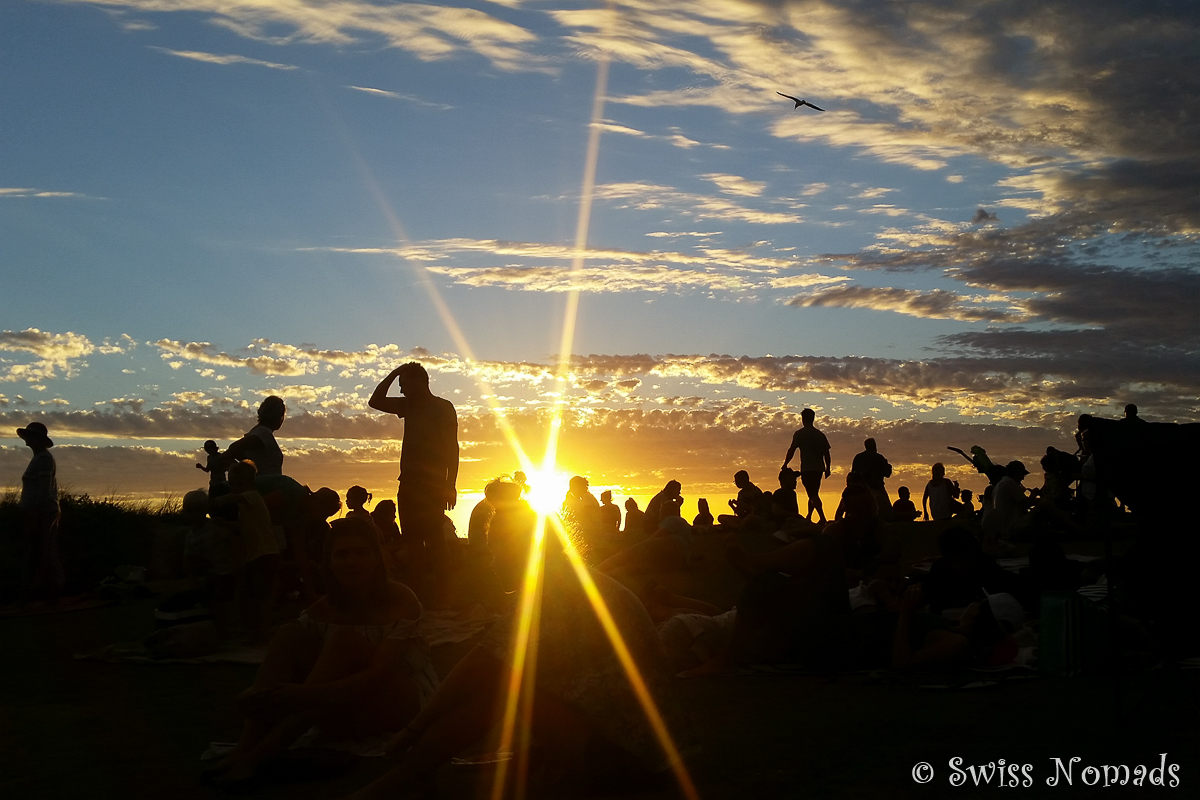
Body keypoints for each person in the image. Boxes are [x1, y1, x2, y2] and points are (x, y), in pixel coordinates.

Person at [347, 516, 684, 799]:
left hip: (626, 758)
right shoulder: (572, 579)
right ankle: (413, 773)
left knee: (498, 686)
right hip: (651, 750)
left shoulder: (552, 589)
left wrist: (413, 728)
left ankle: (397, 780)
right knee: (506, 676)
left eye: (495, 549)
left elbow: (479, 665)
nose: (491, 561)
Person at [203, 518, 436, 791]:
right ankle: (245, 747)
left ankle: (258, 756)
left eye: (361, 552)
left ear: (377, 556)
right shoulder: (321, 610)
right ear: (330, 561)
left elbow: (376, 676)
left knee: (344, 641)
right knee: (288, 634)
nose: (352, 562)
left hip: (397, 701)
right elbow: (295, 657)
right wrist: (264, 693)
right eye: (342, 554)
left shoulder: (400, 600)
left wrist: (298, 695)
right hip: (341, 705)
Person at [369, 362, 459, 601]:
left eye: (405, 384)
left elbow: (452, 447)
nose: (402, 390)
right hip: (408, 482)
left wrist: (450, 484)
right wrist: (395, 372)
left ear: (420, 382)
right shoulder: (408, 406)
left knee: (435, 538)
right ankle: (417, 594)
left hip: (433, 483)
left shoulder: (442, 407)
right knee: (412, 540)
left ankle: (444, 593)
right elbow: (375, 401)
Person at [211, 461, 279, 643]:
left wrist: (218, 500)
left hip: (265, 553)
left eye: (239, 484)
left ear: (250, 483)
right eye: (232, 484)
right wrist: (227, 524)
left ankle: (263, 631)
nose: (235, 488)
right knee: (251, 595)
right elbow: (245, 526)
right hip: (255, 555)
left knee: (262, 596)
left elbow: (234, 499)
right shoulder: (247, 505)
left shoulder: (253, 497)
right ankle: (255, 630)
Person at [16, 422, 63, 603]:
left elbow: (43, 489)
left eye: (30, 437)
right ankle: (48, 588)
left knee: (44, 549)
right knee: (41, 549)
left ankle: (52, 589)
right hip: (39, 510)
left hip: (43, 511)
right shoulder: (39, 458)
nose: (27, 441)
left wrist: (37, 511)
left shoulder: (43, 459)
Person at [783, 408, 832, 524]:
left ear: (803, 419)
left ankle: (822, 517)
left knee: (812, 494)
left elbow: (792, 450)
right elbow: (827, 453)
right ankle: (809, 516)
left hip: (807, 469)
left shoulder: (800, 434)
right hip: (818, 469)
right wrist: (828, 468)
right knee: (813, 493)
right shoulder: (820, 435)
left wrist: (785, 464)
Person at [224, 396, 287, 477]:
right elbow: (233, 449)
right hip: (265, 486)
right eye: (281, 415)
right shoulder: (263, 434)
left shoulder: (257, 432)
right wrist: (246, 473)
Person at [981, 461, 1033, 549]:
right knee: (1044, 506)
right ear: (1017, 473)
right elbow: (1025, 503)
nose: (1022, 479)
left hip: (1003, 528)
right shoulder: (1010, 483)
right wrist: (1034, 495)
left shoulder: (999, 486)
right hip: (1011, 528)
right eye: (1022, 475)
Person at [851, 438, 893, 517]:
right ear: (875, 446)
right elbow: (887, 473)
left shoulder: (858, 457)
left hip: (860, 488)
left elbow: (853, 473)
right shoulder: (879, 458)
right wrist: (889, 467)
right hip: (877, 487)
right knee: (887, 512)